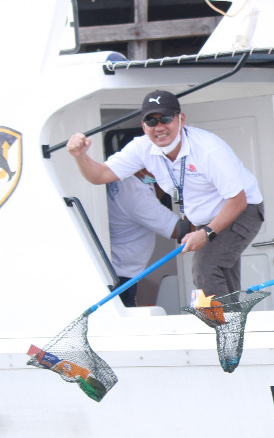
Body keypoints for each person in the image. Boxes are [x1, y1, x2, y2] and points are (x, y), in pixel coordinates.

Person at [67, 90, 264, 296]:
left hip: (243, 209)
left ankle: (223, 326)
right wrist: (80, 156)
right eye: (151, 121)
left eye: (166, 119)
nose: (159, 127)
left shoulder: (207, 149)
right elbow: (100, 175)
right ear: (144, 126)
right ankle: (233, 323)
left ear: (181, 119)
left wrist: (205, 234)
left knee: (205, 268)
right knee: (221, 275)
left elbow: (238, 200)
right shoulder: (141, 148)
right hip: (209, 217)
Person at [107, 167, 179, 306]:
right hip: (121, 276)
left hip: (121, 270)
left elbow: (152, 202)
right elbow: (179, 230)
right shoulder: (136, 195)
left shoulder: (128, 178)